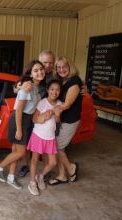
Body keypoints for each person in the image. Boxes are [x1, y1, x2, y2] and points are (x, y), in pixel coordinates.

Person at [0, 60, 45, 189]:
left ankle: (11, 177)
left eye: (41, 69)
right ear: (31, 74)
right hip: (19, 120)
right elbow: (19, 110)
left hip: (26, 121)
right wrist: (19, 129)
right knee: (21, 153)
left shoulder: (36, 88)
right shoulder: (27, 87)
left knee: (15, 151)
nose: (40, 72)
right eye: (36, 70)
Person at [17, 50, 56, 178]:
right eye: (45, 62)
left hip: (47, 117)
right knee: (28, 143)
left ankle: (45, 171)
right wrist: (19, 87)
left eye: (51, 62)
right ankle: (25, 165)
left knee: (45, 144)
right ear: (40, 62)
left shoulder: (55, 77)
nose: (48, 65)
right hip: (31, 116)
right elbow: (16, 87)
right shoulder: (35, 74)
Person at [48, 56, 82, 185]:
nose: (61, 69)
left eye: (64, 67)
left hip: (70, 120)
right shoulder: (62, 81)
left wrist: (50, 110)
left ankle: (71, 168)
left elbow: (67, 104)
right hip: (62, 119)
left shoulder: (74, 81)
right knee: (59, 147)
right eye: (59, 67)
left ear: (70, 67)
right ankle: (62, 175)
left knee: (56, 147)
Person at [27, 80, 62, 195]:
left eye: (57, 90)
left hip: (50, 137)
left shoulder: (60, 103)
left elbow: (57, 121)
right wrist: (43, 117)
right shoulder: (43, 102)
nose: (54, 92)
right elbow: (34, 118)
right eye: (52, 89)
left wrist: (56, 115)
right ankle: (32, 182)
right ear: (48, 90)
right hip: (38, 135)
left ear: (60, 92)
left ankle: (40, 176)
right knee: (35, 160)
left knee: (53, 162)